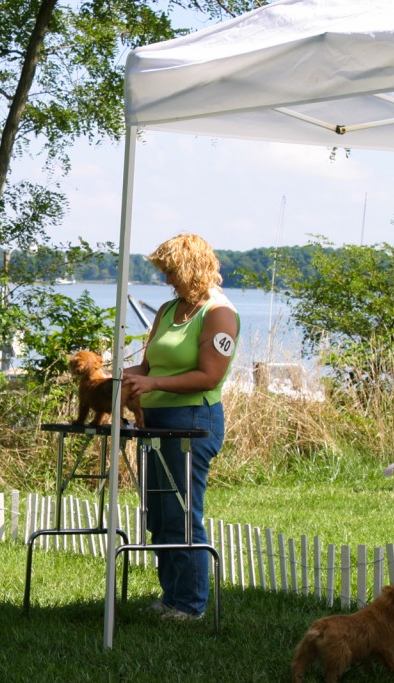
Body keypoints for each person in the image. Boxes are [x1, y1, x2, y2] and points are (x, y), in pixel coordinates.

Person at [122, 232, 239, 621]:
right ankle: (171, 597)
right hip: (154, 421)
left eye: (171, 272)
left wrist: (153, 384)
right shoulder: (169, 311)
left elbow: (208, 376)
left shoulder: (219, 314)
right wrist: (113, 379)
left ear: (190, 268)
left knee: (182, 512)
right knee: (159, 512)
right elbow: (148, 367)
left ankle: (191, 605)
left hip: (192, 422)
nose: (167, 281)